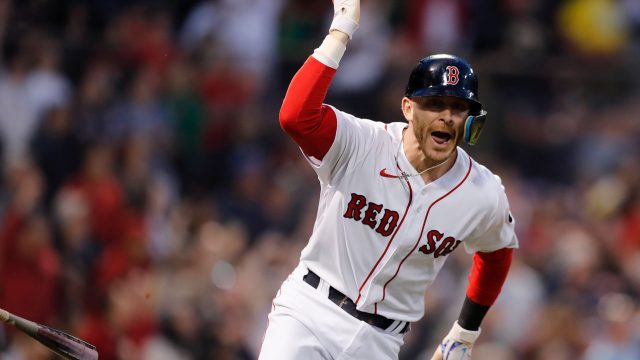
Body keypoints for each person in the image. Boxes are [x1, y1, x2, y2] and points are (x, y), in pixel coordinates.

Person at [259, 1, 518, 359]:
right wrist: (341, 30)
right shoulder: (363, 142)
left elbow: (497, 253)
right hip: (310, 313)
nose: (446, 117)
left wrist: (465, 331)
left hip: (382, 343)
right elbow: (295, 117)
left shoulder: (483, 192)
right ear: (408, 108)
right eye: (435, 103)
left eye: (459, 108)